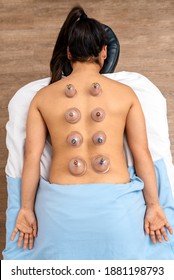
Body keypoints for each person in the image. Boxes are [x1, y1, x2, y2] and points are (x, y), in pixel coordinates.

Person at [11, 6, 173, 255]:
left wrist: (25, 209)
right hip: (116, 213)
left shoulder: (42, 98)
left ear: (68, 52)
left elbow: (31, 159)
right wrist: (153, 205)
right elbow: (142, 154)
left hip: (60, 216)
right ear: (104, 51)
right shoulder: (126, 94)